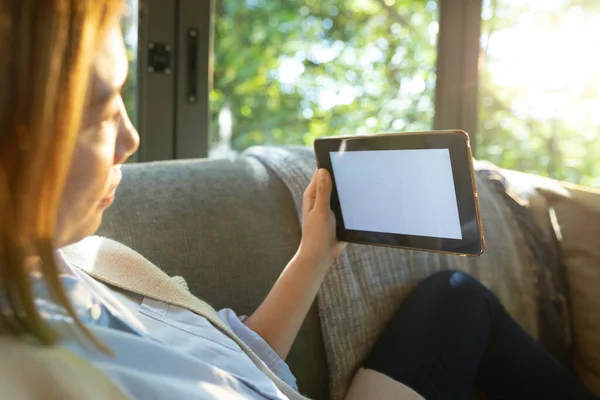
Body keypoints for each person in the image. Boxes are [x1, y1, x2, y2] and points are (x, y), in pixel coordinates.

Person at [0, 1, 597, 399]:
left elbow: (238, 357)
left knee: (455, 299)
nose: (131, 139)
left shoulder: (88, 260)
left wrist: (315, 252)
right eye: (102, 112)